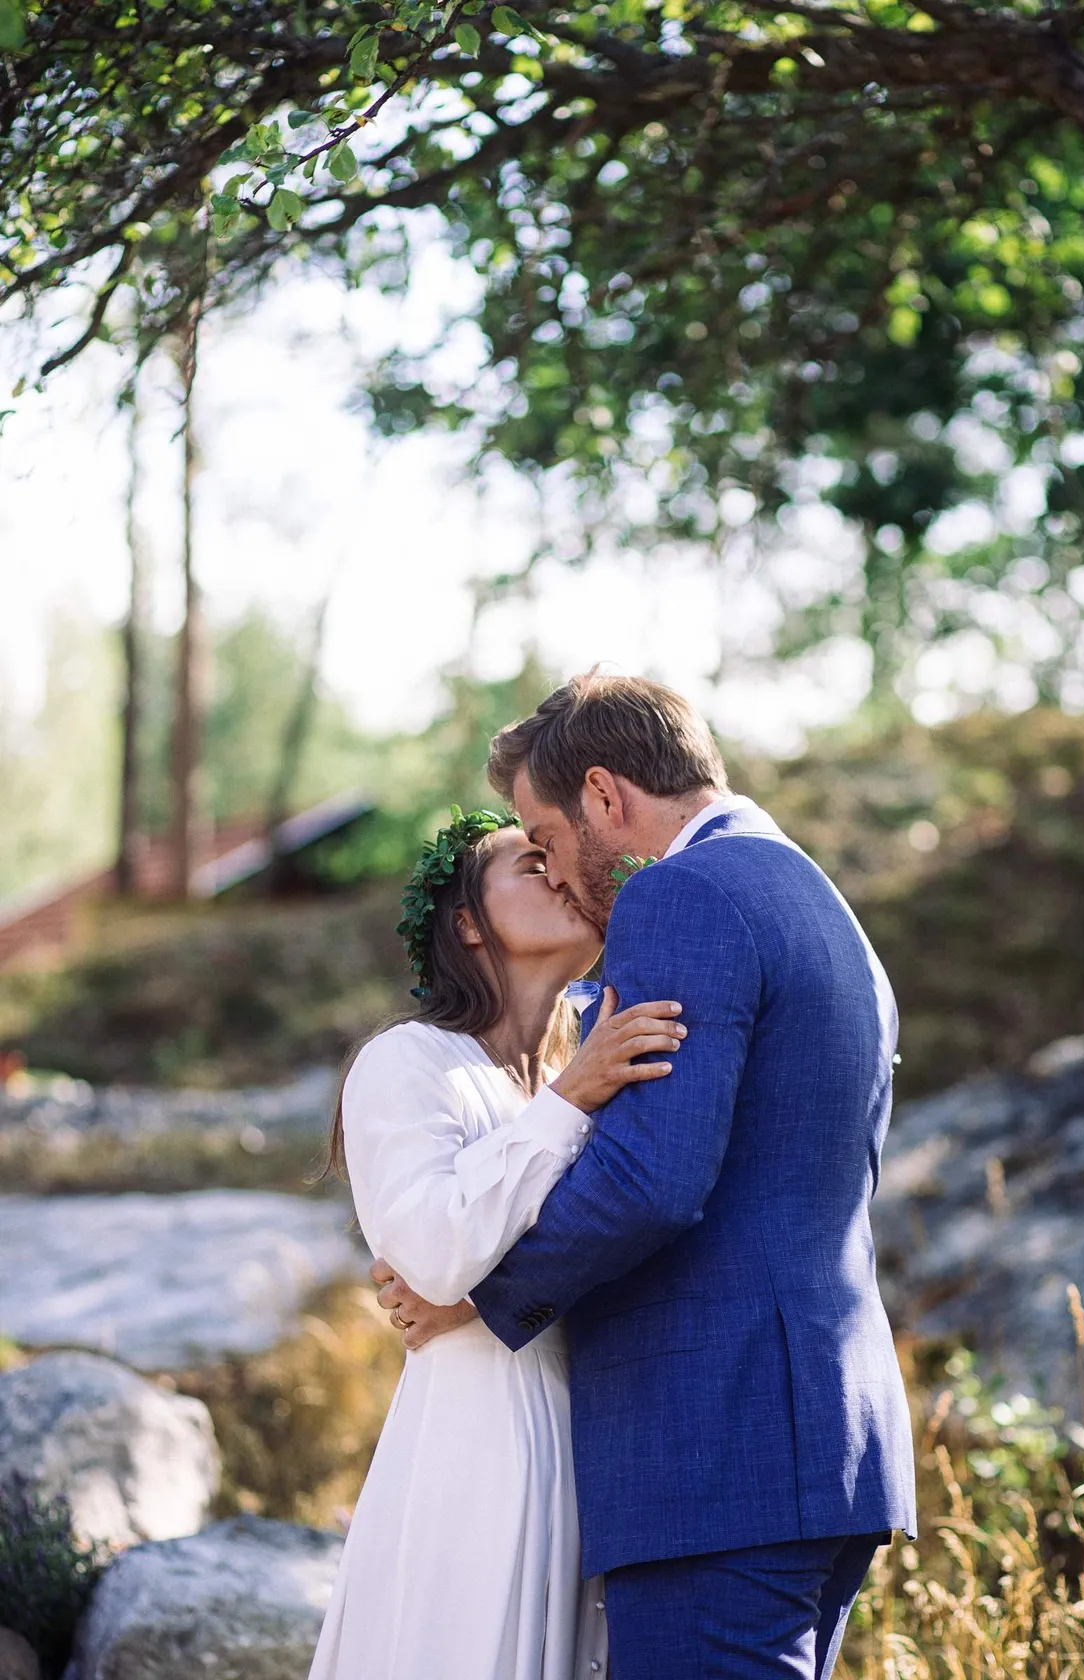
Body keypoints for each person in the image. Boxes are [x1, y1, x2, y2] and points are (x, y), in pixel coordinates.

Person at [376, 673, 917, 1680]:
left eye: (545, 838)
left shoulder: (684, 892)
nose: (555, 873)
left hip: (714, 1452)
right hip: (820, 1447)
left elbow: (654, 1178)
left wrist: (479, 1297)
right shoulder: (810, 894)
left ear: (605, 797)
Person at [308, 806, 689, 1680]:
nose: (562, 873)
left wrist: (475, 1301)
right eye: (530, 863)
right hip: (472, 1445)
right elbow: (437, 1253)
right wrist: (570, 1099)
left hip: (598, 1440)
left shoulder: (600, 1063)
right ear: (468, 923)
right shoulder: (407, 1063)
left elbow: (626, 1236)